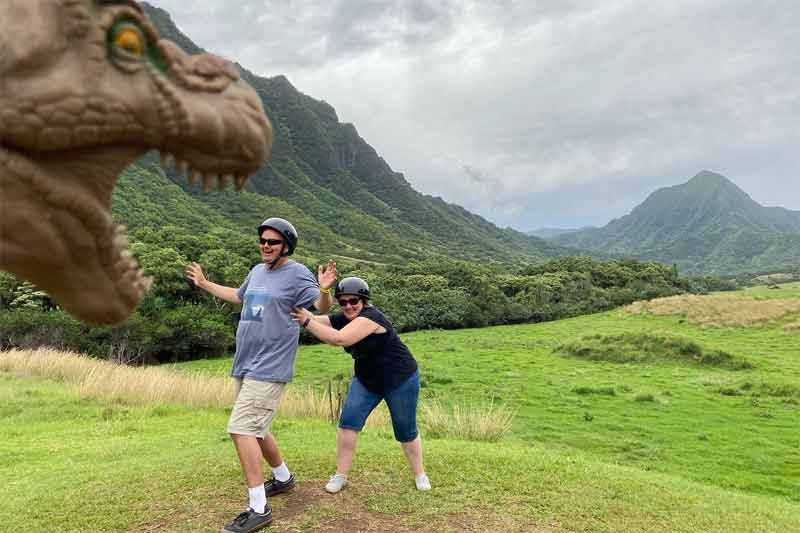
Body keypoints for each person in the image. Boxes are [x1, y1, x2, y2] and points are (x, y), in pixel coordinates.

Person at [186, 217, 336, 533]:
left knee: (241, 429)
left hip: (270, 366)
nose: (265, 246)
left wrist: (324, 288)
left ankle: (259, 508)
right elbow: (239, 297)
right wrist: (204, 283)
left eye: (272, 242)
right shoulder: (257, 272)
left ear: (286, 246)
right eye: (263, 241)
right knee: (256, 427)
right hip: (245, 363)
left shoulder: (295, 273)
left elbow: (320, 304)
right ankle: (283, 478)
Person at [290, 276, 431, 494]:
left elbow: (339, 339)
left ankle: (420, 473)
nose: (348, 306)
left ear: (364, 301)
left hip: (400, 379)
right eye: (343, 302)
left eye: (353, 301)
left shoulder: (371, 318)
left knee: (405, 429)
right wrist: (315, 296)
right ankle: (340, 475)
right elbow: (316, 319)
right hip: (367, 380)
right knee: (348, 423)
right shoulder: (344, 317)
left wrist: (306, 321)